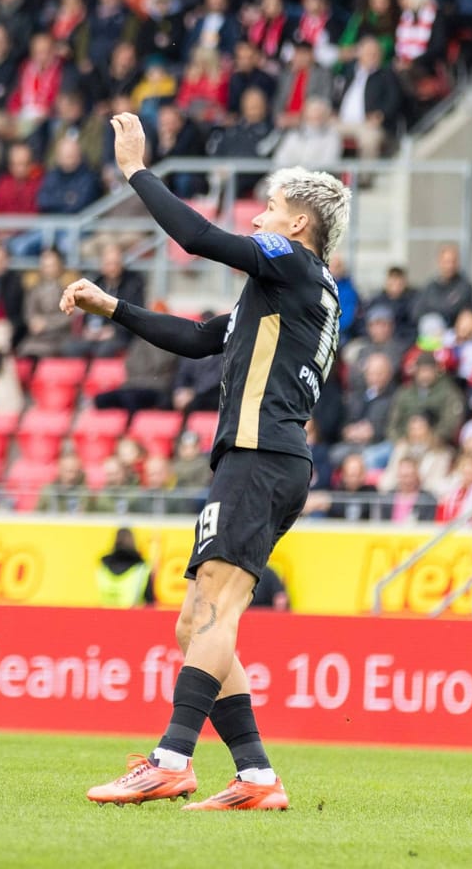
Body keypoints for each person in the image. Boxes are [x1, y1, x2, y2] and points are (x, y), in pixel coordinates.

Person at [64, 116, 347, 813]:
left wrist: (135, 170)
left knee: (216, 611)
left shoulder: (294, 266)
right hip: (265, 461)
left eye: (273, 209)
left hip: (260, 457)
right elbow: (198, 340)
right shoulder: (287, 289)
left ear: (300, 228)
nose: (258, 217)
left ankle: (170, 759)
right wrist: (115, 308)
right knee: (195, 624)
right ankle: (255, 776)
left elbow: (196, 238)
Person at [96, 527, 157, 607]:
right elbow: (150, 603)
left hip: (105, 615)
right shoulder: (141, 568)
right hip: (132, 616)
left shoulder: (103, 566)